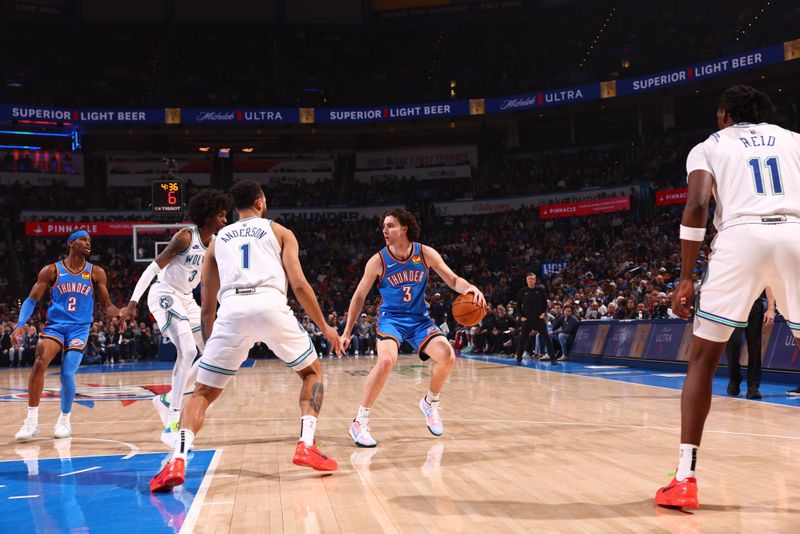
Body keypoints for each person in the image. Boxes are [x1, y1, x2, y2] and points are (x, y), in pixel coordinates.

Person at [655, 85, 800, 509]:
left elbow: (697, 206)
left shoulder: (709, 146)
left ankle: (684, 479)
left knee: (703, 358)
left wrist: (685, 278)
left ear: (723, 115)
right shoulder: (794, 140)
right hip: (795, 232)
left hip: (740, 237)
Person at [150, 180, 342, 492]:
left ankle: (178, 459)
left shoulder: (216, 240)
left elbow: (207, 302)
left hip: (232, 310)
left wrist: (211, 341)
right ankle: (306, 443)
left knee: (202, 393)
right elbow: (300, 285)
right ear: (260, 202)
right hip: (270, 303)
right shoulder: (280, 232)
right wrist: (326, 328)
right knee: (311, 372)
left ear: (235, 208)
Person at [341, 208, 486, 447]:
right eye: (384, 227)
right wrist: (347, 332)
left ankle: (430, 403)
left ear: (404, 228)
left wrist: (470, 287)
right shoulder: (378, 260)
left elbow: (452, 280)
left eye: (391, 226)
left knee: (448, 356)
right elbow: (358, 297)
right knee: (387, 361)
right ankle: (359, 421)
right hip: (391, 319)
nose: (385, 230)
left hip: (419, 320)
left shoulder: (425, 253)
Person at [123, 188, 230, 447]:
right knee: (186, 349)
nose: (225, 220)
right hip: (164, 293)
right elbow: (153, 267)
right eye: (221, 215)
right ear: (208, 216)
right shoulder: (185, 237)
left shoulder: (216, 243)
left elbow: (215, 281)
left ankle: (168, 398)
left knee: (213, 353)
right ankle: (172, 421)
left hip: (186, 299)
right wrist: (133, 301)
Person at [13, 230, 121, 440]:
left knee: (66, 373)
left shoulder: (96, 272)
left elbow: (108, 306)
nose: (88, 243)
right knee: (39, 362)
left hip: (79, 328)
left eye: (90, 241)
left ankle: (64, 420)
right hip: (55, 326)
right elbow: (31, 299)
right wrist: (20, 324)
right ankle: (31, 422)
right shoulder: (52, 270)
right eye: (83, 240)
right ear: (71, 243)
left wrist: (121, 311)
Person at [726, 288, 774, 399]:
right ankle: (735, 378)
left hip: (755, 304)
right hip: (734, 304)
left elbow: (768, 284)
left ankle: (753, 386)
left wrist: (771, 308)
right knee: (732, 344)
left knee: (755, 347)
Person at [515, 273, 557, 364]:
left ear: (535, 280)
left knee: (547, 338)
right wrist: (521, 316)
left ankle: (553, 358)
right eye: (529, 279)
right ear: (527, 280)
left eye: (532, 279)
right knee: (522, 339)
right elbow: (518, 306)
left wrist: (544, 313)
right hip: (527, 319)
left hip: (539, 319)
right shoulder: (523, 291)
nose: (531, 280)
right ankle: (518, 358)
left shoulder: (540, 290)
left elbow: (545, 304)